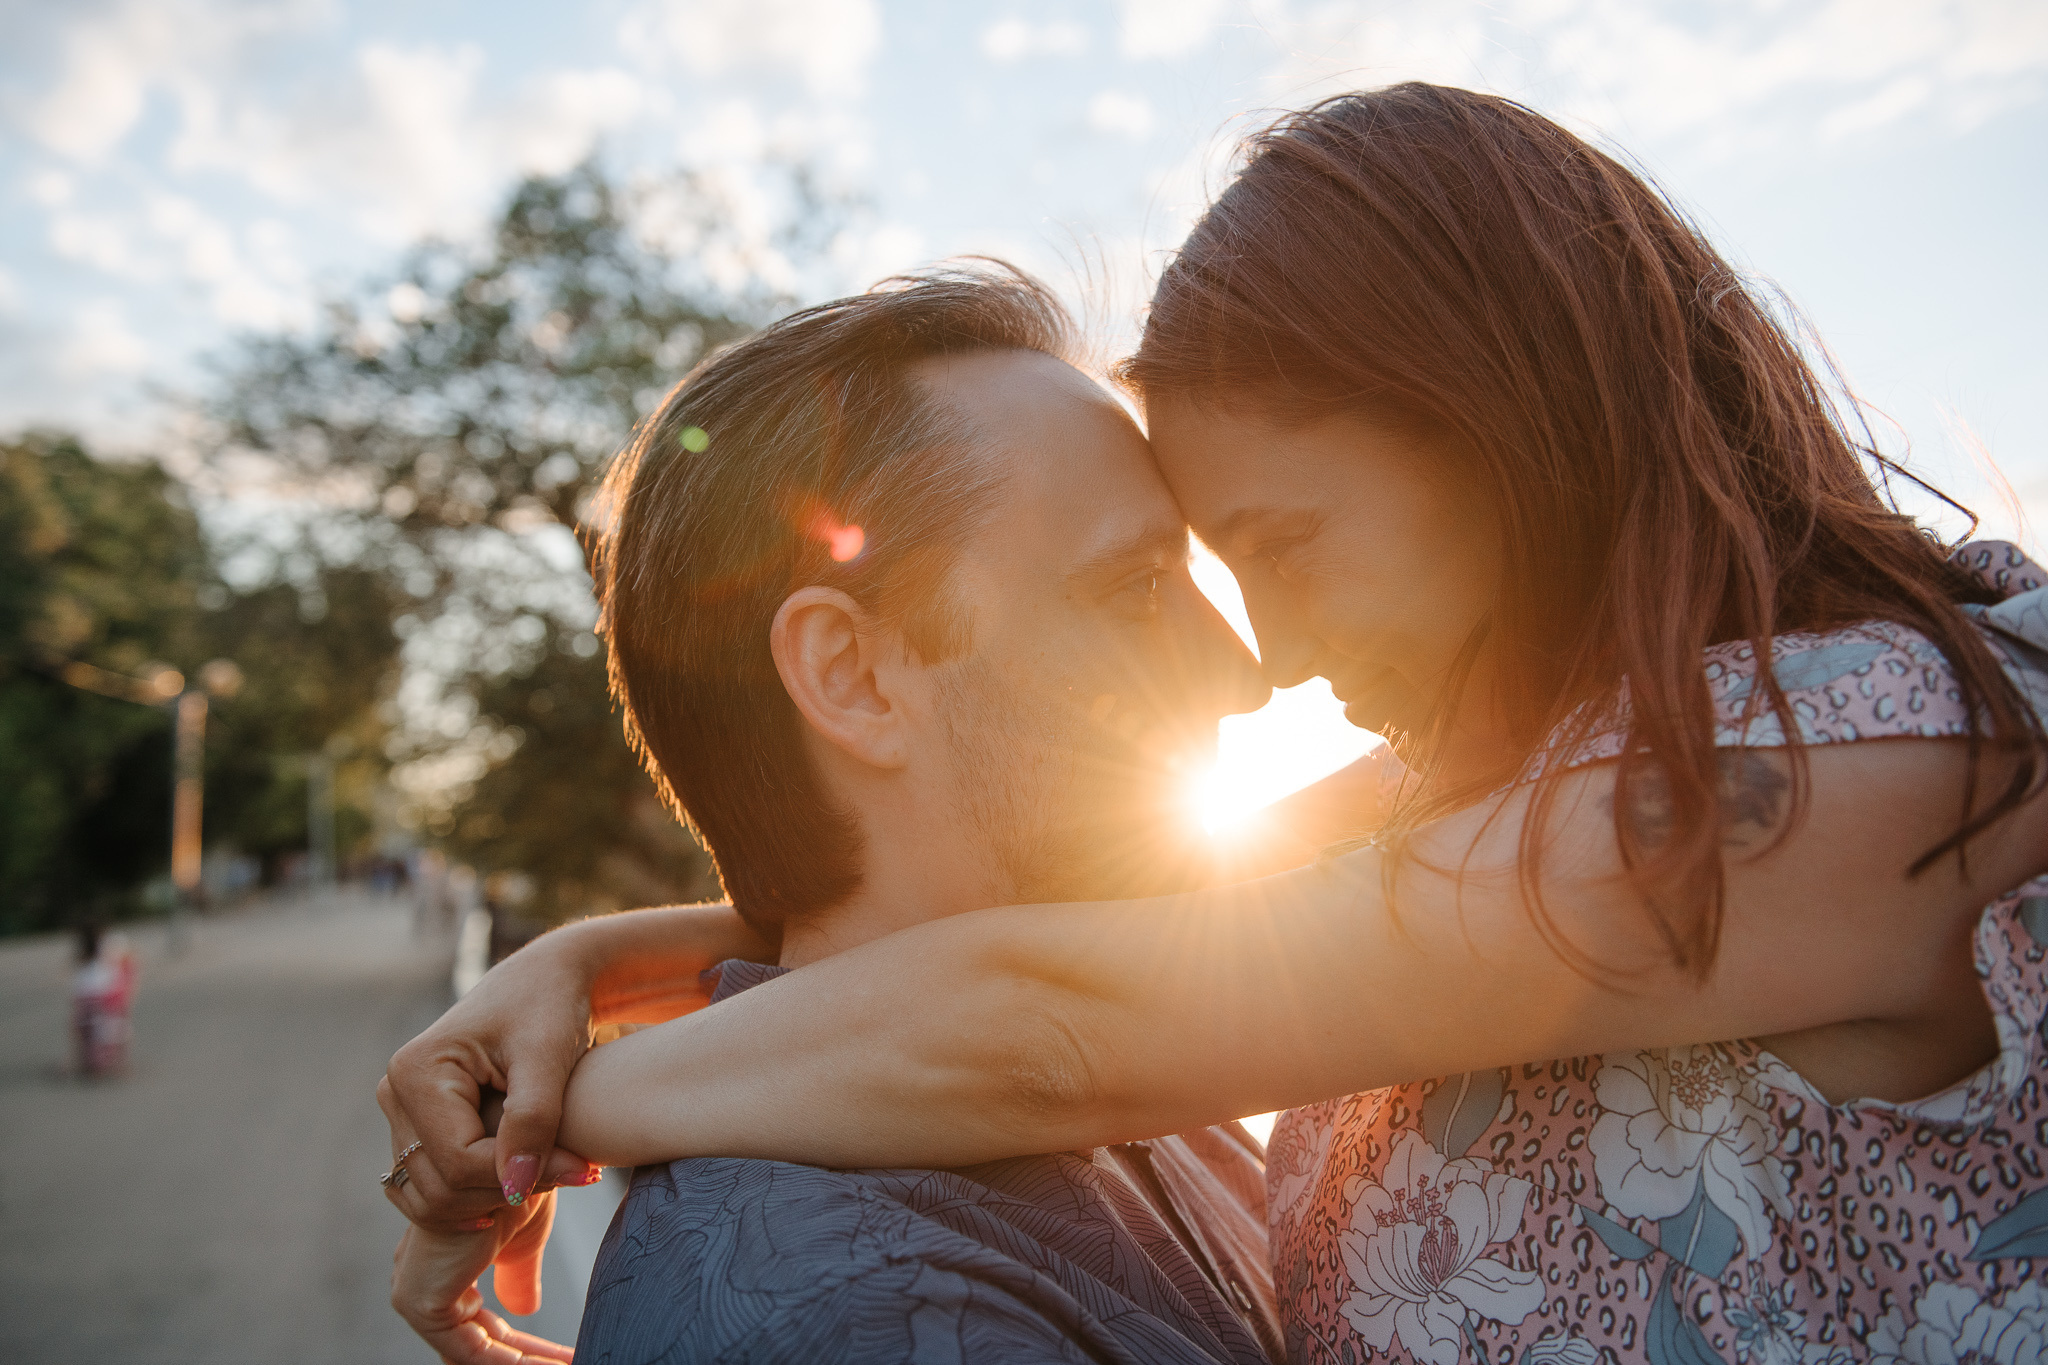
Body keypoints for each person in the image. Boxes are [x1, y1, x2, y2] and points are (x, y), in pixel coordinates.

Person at [384, 85, 2048, 1364]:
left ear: (1507, 443)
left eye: (1284, 549)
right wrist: (605, 961)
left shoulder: (1828, 766)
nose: (1272, 663)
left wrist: (553, 1122)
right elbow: (1163, 920)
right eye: (1153, 585)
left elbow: (1060, 1016)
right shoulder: (1566, 786)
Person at [386, 264, 1369, 1363]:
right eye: (1133, 590)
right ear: (853, 677)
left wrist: (595, 966)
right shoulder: (849, 1313)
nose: (1243, 670)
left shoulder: (1129, 1048)